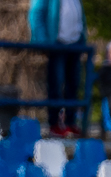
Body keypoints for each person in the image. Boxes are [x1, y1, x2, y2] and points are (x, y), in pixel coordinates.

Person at [28, 0, 85, 136]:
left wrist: (83, 39)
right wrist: (43, 42)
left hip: (75, 45)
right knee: (56, 85)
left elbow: (80, 18)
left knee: (73, 85)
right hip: (57, 44)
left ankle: (70, 122)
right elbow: (36, 14)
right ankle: (54, 124)